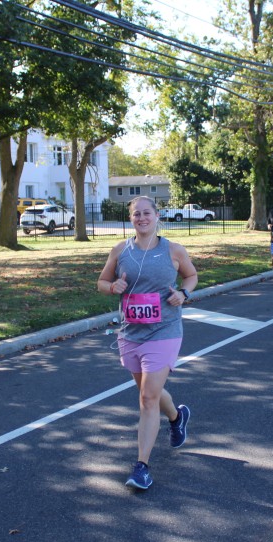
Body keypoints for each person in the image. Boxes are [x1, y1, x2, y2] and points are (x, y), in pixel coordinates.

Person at [97, 196, 198, 490]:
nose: (141, 218)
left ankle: (141, 467)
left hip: (165, 330)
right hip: (131, 333)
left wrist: (183, 294)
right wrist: (112, 287)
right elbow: (101, 282)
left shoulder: (173, 250)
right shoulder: (120, 250)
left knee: (147, 398)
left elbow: (191, 276)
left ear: (157, 216)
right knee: (148, 391)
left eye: (146, 213)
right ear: (131, 219)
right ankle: (177, 417)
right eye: (136, 214)